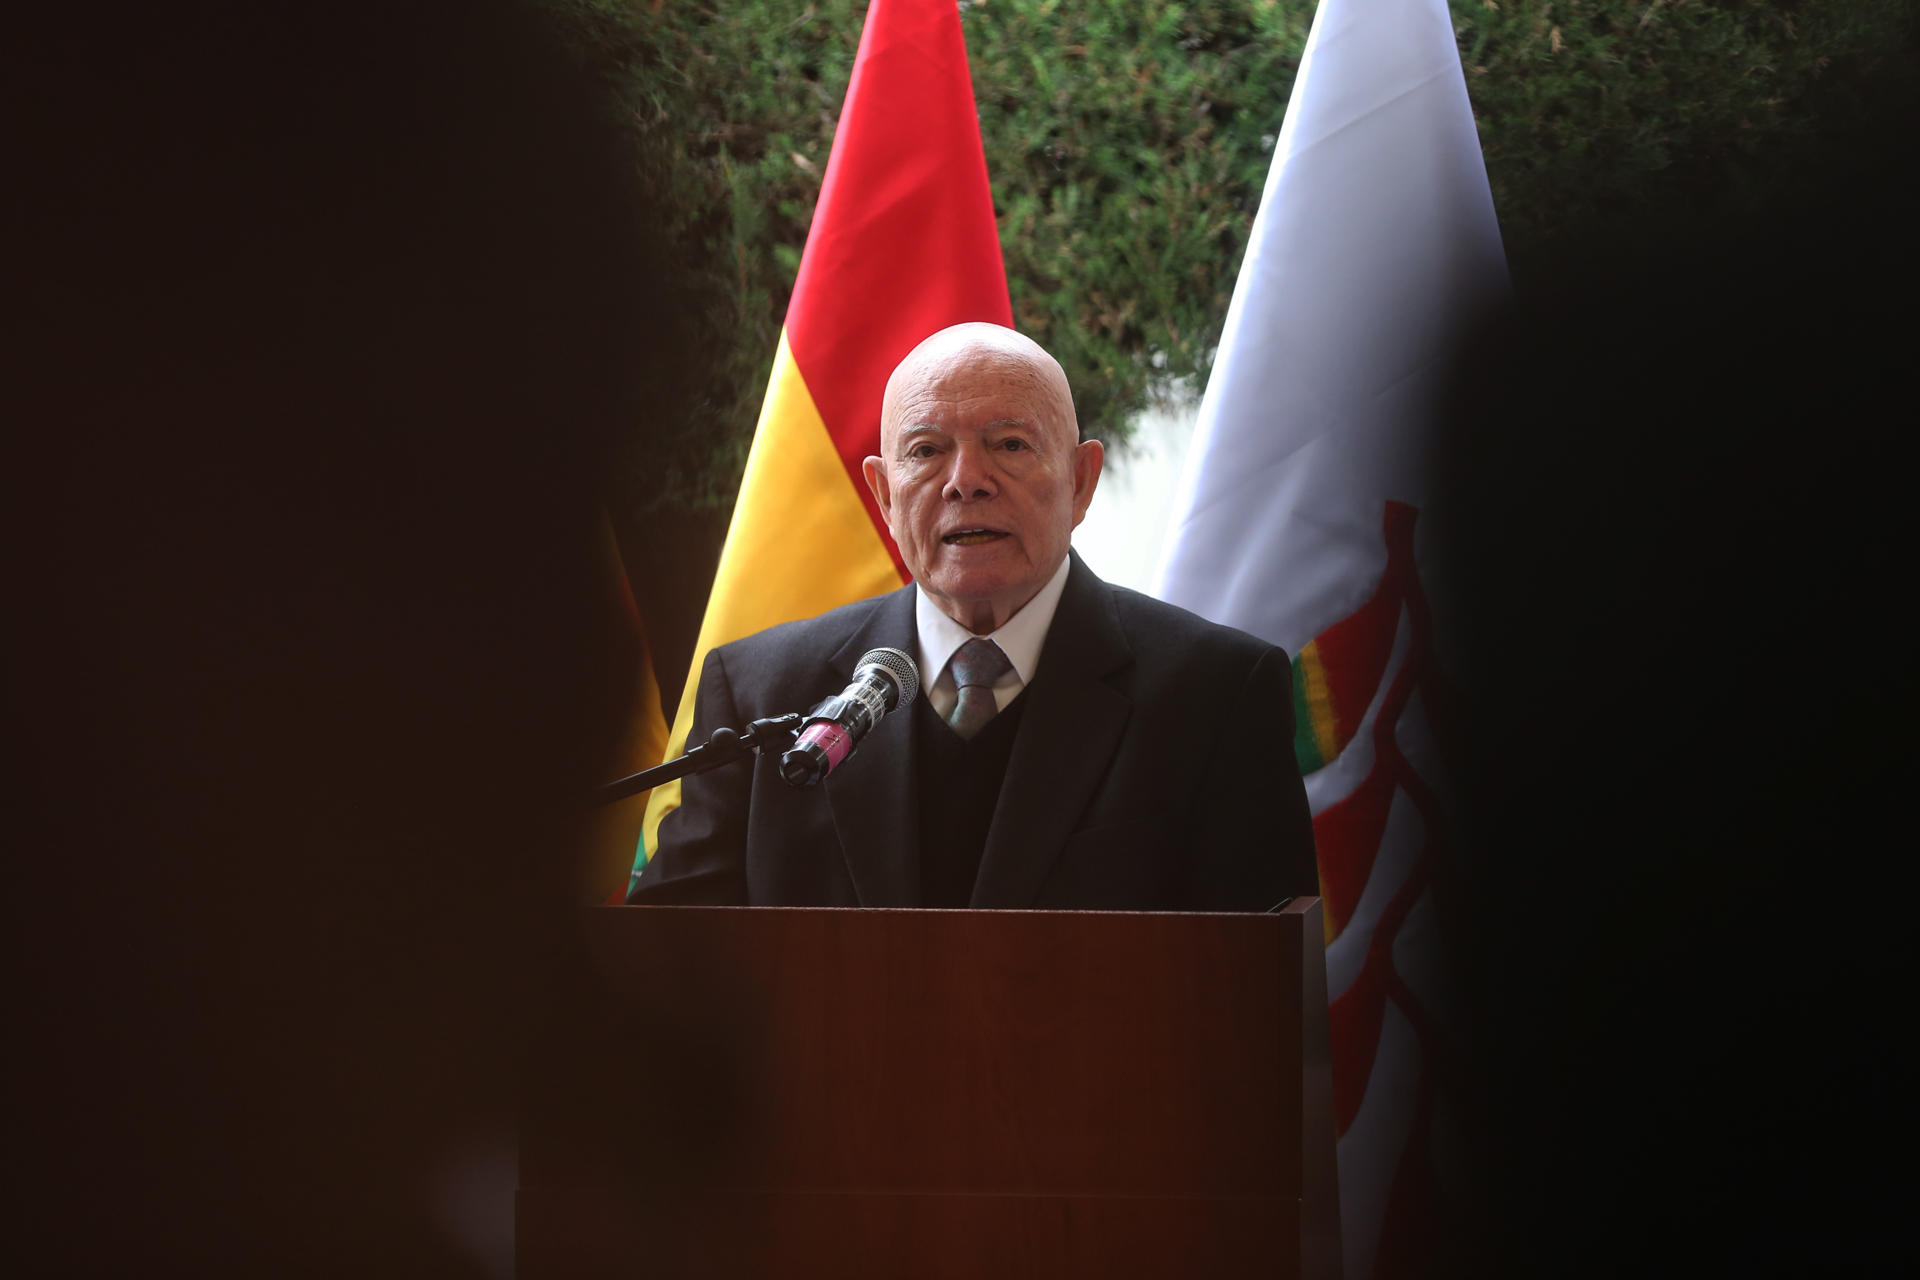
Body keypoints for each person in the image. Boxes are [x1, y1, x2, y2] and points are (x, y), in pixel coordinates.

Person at [630, 322, 1316, 910]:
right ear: (884, 494)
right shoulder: (762, 692)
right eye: (926, 451)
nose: (966, 479)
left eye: (1010, 444)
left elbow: (1258, 1001)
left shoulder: (1216, 694)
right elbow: (671, 964)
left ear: (1080, 481)